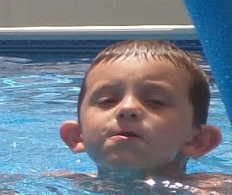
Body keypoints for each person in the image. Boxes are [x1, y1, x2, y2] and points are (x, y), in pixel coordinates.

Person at [59, 39, 224, 184]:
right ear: (76, 136)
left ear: (198, 141)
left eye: (155, 101)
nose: (127, 108)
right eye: (107, 101)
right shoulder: (57, 188)